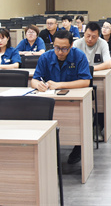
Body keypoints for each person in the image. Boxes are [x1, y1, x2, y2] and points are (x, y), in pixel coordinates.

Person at [32, 30, 91, 164]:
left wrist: (59, 85)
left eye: (64, 48)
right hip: (49, 100)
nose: (60, 52)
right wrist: (38, 85)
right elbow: (34, 80)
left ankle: (78, 147)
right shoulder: (45, 57)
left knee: (76, 121)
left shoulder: (79, 56)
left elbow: (86, 81)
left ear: (71, 46)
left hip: (72, 101)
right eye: (57, 48)